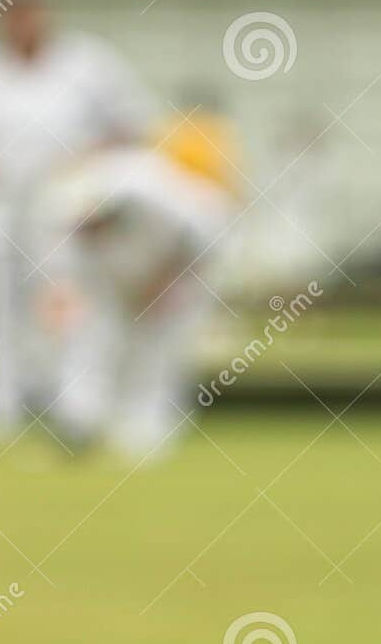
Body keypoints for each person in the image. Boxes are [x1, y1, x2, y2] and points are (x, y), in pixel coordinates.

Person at [0, 0, 154, 436]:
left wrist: (90, 162)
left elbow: (136, 126)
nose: (23, 21)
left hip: (66, 204)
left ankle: (74, 401)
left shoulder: (89, 62)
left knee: (66, 300)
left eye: (31, 11)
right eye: (12, 13)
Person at [43, 111, 239, 458]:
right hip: (112, 278)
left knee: (157, 349)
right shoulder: (70, 203)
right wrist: (64, 297)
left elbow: (198, 244)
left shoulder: (163, 196)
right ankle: (79, 421)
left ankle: (147, 432)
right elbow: (68, 273)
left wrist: (165, 285)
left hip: (183, 271)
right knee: (89, 338)